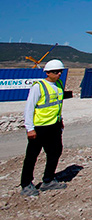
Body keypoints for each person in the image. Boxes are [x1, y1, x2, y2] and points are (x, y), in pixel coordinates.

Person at [20, 59, 68, 196]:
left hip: (54, 126)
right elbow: (29, 108)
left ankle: (48, 180)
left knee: (55, 152)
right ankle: (26, 184)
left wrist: (60, 120)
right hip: (39, 127)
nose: (59, 74)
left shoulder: (59, 84)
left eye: (60, 71)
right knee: (32, 156)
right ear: (47, 72)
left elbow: (57, 105)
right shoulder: (38, 87)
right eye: (56, 71)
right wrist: (29, 128)